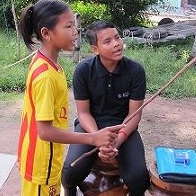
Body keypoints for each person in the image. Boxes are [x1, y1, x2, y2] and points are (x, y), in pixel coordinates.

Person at [17, 0, 124, 196]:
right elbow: (45, 131)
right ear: (46, 33)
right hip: (42, 163)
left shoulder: (49, 63)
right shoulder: (46, 75)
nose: (75, 31)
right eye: (68, 26)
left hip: (45, 158)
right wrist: (93, 138)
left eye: (74, 26)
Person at [62, 20, 150, 196]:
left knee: (139, 179)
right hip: (90, 128)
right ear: (95, 49)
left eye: (117, 37)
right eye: (108, 41)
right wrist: (97, 138)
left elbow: (134, 115)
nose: (117, 44)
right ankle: (70, 192)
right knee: (71, 172)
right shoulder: (83, 71)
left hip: (124, 127)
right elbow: (84, 113)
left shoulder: (135, 71)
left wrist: (117, 140)